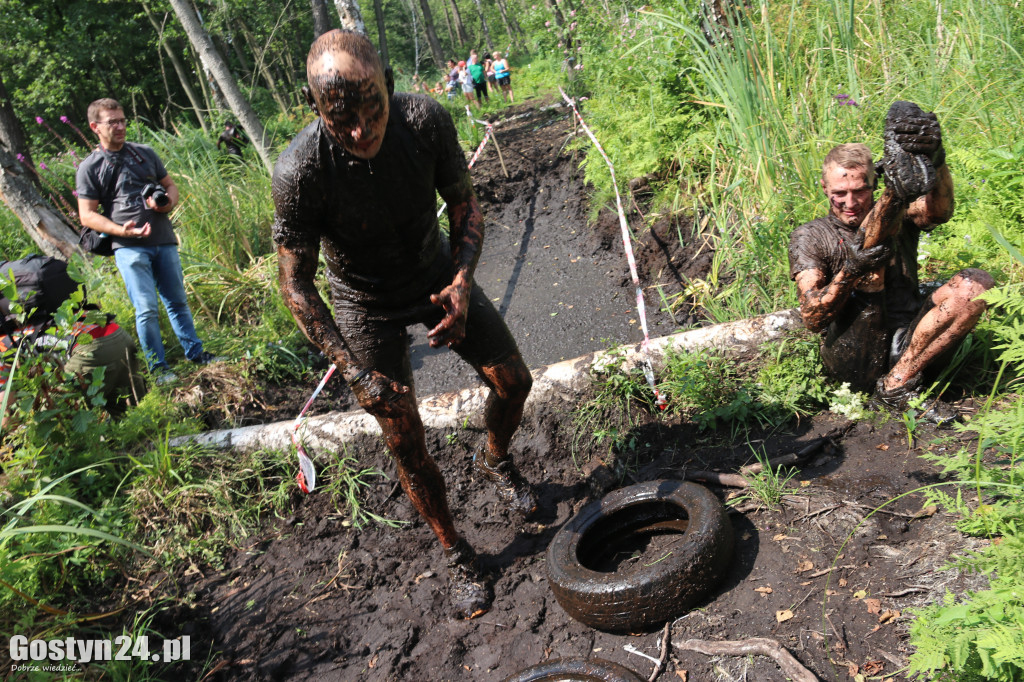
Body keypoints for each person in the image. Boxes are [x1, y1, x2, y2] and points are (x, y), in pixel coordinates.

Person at [272, 30, 535, 619]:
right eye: (343, 120)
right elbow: (296, 284)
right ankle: (456, 551)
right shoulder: (300, 171)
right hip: (364, 304)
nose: (361, 131)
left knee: (515, 383)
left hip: (434, 271)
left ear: (390, 88)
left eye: (372, 111)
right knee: (404, 439)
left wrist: (462, 281)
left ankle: (494, 458)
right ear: (316, 108)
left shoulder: (425, 121)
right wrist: (353, 373)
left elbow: (465, 206)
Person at [788, 103, 993, 423]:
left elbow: (940, 211)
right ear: (825, 187)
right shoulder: (812, 236)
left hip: (911, 346)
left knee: (976, 285)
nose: (851, 202)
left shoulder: (906, 215)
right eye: (840, 193)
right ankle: (894, 194)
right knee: (872, 277)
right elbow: (812, 318)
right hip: (852, 355)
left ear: (875, 181)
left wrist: (936, 159)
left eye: (861, 190)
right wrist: (851, 272)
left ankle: (896, 387)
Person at [76, 98, 218, 380]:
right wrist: (121, 230)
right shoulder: (90, 167)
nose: (120, 126)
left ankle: (197, 355)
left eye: (122, 120)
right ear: (95, 127)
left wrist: (167, 204)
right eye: (112, 122)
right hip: (128, 247)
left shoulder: (145, 153)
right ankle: (159, 368)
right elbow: (87, 216)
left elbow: (170, 186)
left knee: (177, 301)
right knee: (146, 309)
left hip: (163, 240)